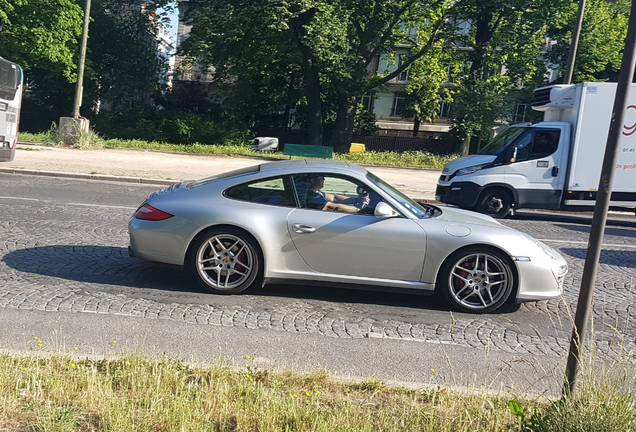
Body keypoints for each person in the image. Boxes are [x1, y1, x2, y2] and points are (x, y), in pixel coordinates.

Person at [305, 174, 370, 213]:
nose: (324, 179)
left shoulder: (314, 191)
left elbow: (333, 197)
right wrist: (358, 208)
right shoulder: (312, 197)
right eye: (321, 177)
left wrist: (356, 200)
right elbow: (334, 207)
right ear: (312, 180)